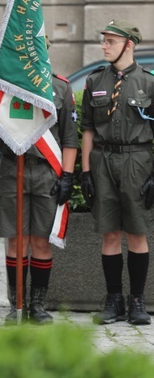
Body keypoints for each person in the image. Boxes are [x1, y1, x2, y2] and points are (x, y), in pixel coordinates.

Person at [0, 57, 77, 324]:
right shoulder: (6, 86)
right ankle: (16, 303)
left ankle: (38, 305)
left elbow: (69, 136)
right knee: (16, 241)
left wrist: (68, 176)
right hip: (12, 169)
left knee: (41, 240)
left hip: (46, 170)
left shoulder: (60, 87)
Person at [81, 19, 154, 326]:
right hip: (103, 159)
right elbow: (86, 128)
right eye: (104, 40)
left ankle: (137, 301)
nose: (104, 45)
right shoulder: (95, 81)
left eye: (110, 41)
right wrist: (85, 171)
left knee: (137, 233)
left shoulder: (149, 83)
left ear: (129, 44)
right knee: (110, 233)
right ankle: (114, 300)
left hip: (137, 160)